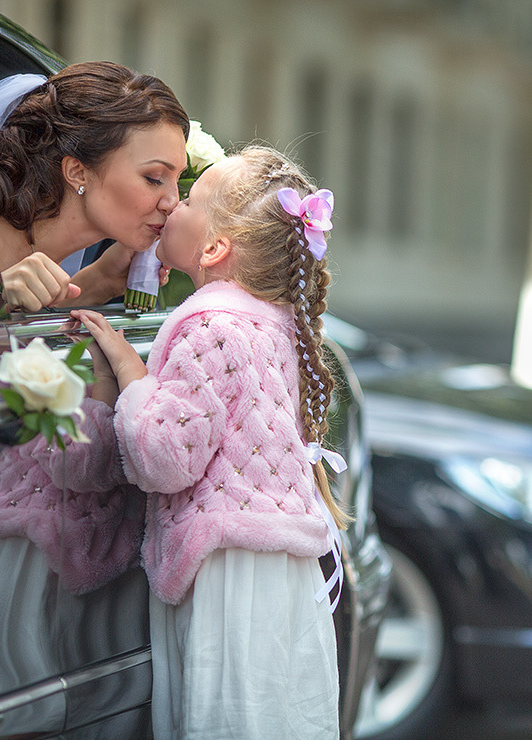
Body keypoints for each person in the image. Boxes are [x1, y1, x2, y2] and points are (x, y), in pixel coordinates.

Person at [70, 143, 349, 740]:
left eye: (190, 198)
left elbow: (164, 458)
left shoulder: (211, 327)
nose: (172, 204)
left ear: (215, 248)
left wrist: (131, 375)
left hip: (226, 575)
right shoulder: (268, 324)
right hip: (276, 568)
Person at [0, 61, 189, 311]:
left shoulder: (47, 251)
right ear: (77, 172)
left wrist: (101, 281)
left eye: (178, 179)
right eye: (154, 178)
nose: (172, 202)